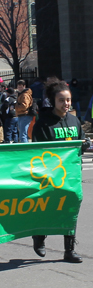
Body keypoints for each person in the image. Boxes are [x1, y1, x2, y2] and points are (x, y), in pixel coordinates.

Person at [31, 78, 90, 263]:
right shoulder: (44, 123)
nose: (66, 104)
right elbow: (39, 152)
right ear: (53, 101)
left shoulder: (74, 120)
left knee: (70, 211)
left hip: (72, 176)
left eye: (69, 100)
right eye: (62, 100)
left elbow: (80, 143)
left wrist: (85, 144)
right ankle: (39, 237)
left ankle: (69, 250)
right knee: (48, 209)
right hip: (51, 177)